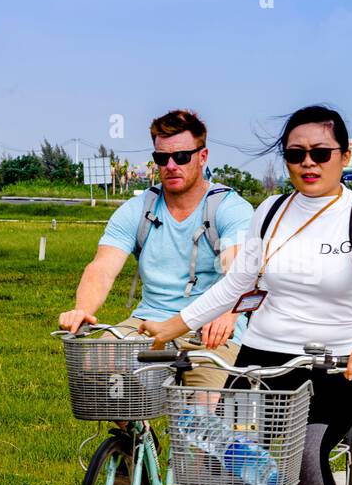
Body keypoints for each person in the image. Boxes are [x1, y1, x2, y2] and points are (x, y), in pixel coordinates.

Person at [139, 105, 352, 485]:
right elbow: (237, 283)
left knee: (302, 457)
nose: (309, 163)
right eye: (296, 154)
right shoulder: (272, 210)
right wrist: (174, 326)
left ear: (343, 155)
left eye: (321, 153)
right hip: (262, 354)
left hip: (333, 364)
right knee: (216, 445)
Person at [58, 108, 254, 384]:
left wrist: (228, 314)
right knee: (94, 367)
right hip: (149, 322)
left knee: (206, 407)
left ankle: (196, 421)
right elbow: (102, 268)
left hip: (208, 328)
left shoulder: (228, 208)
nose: (171, 165)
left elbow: (239, 270)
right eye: (162, 158)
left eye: (182, 157)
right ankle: (136, 428)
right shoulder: (139, 209)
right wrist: (82, 309)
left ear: (203, 157)